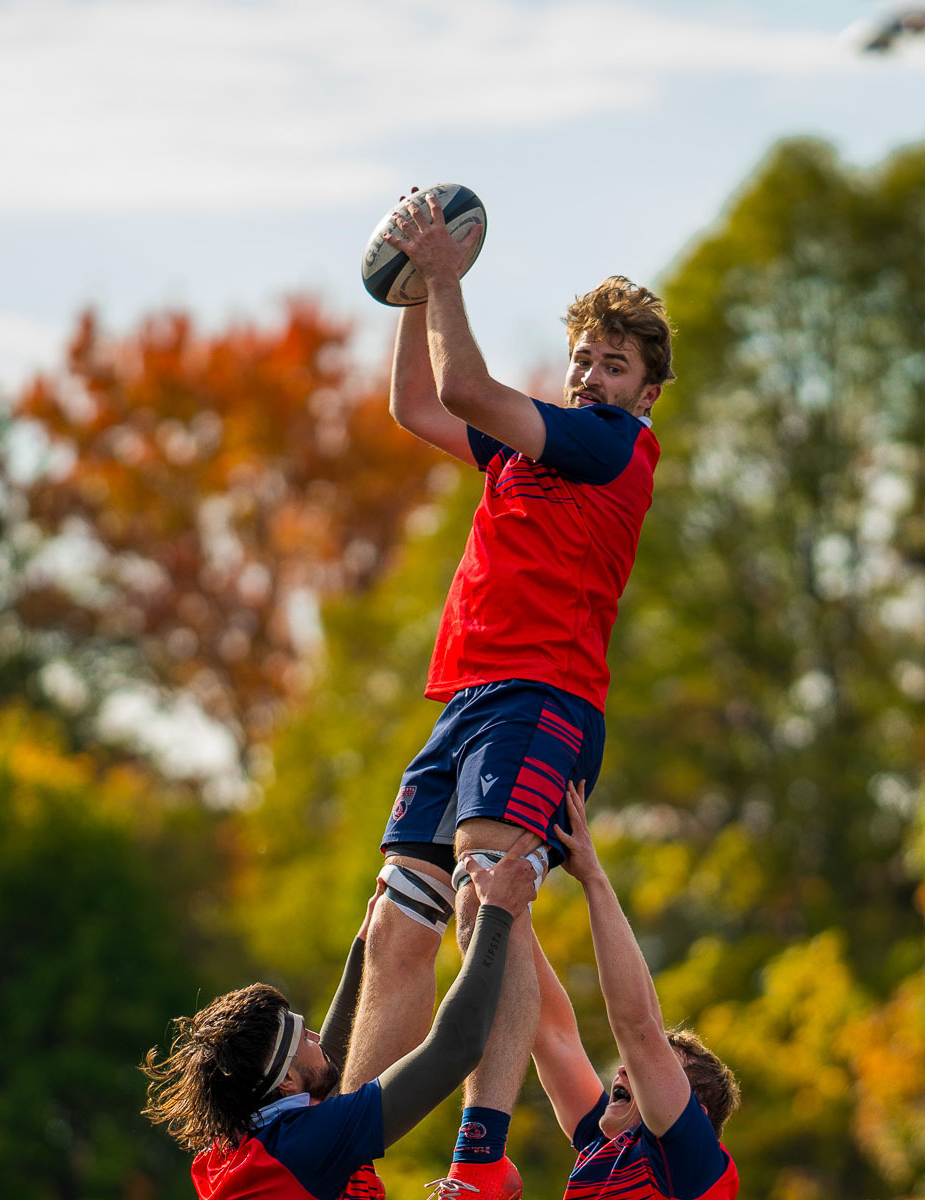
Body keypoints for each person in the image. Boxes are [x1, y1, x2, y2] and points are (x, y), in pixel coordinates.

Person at [341, 189, 676, 1200]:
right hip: (470, 702)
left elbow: (473, 387)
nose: (590, 372)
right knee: (401, 922)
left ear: (647, 393)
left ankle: (482, 1159)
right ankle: (343, 1153)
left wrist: (443, 277)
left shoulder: (609, 447)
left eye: (614, 364)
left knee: (492, 909)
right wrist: (410, 289)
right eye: (584, 355)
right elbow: (417, 405)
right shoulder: (538, 447)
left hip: (546, 701)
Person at [141, 845, 538, 1200]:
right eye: (304, 1037)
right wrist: (495, 913)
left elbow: (324, 1063)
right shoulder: (302, 1148)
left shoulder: (231, 1148)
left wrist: (362, 949)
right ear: (286, 1084)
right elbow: (456, 1047)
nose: (316, 1036)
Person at [532, 781, 741, 1200]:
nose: (625, 1070)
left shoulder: (690, 1164)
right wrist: (496, 902)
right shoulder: (607, 1145)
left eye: (653, 1072)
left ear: (693, 1117)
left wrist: (592, 875)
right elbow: (547, 1030)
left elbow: (638, 1027)